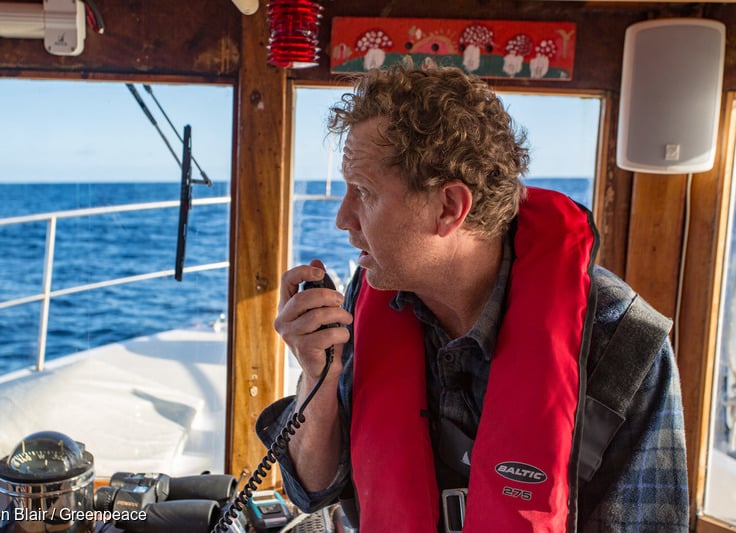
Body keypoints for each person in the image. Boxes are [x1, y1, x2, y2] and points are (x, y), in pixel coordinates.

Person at [257, 64, 689, 532]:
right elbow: (312, 487)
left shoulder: (622, 340)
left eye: (363, 192)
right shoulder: (366, 303)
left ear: (449, 208)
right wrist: (317, 376)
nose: (343, 218)